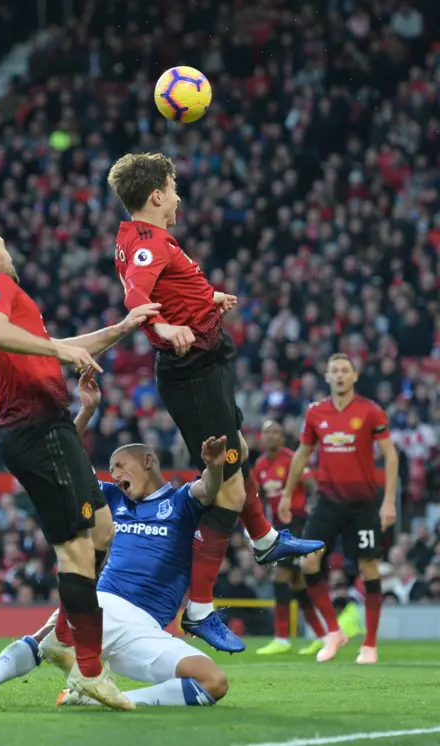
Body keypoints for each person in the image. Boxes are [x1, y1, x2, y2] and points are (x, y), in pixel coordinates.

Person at [107, 153, 323, 650]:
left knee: (239, 454)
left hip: (205, 362)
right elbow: (136, 296)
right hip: (193, 371)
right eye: (174, 188)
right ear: (157, 195)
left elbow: (162, 285)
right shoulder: (148, 241)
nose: (179, 197)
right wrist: (162, 326)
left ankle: (266, 539)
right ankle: (201, 610)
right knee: (225, 487)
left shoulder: (138, 238)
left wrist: (207, 301)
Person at [0, 220, 159, 710]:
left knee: (103, 532)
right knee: (77, 554)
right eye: (5, 245)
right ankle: (89, 671)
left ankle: (65, 634)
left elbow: (46, 349)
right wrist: (60, 348)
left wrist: (122, 329)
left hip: (51, 427)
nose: (10, 254)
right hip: (35, 427)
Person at [0, 371, 235, 711]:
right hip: (104, 603)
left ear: (147, 461)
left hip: (145, 630)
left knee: (215, 683)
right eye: (111, 470)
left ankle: (106, 697)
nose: (114, 475)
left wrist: (214, 467)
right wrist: (85, 413)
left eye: (120, 466)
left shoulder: (182, 501)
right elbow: (67, 463)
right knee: (45, 640)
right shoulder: (113, 499)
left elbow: (209, 488)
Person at [279, 353, 399, 664]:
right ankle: (334, 631)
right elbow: (302, 455)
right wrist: (286, 494)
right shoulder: (316, 413)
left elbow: (391, 455)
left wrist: (388, 502)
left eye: (345, 370)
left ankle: (370, 645)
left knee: (369, 568)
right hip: (328, 502)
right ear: (327, 377)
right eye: (334, 371)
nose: (340, 375)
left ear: (355, 376)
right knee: (308, 564)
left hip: (363, 504)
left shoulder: (371, 411)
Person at [252, 421, 326, 657]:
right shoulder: (261, 464)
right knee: (297, 585)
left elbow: (312, 483)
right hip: (278, 526)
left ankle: (282, 638)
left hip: (298, 524)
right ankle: (322, 636)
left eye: (276, 432)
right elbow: (257, 495)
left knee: (280, 577)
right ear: (262, 437)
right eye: (267, 432)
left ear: (283, 437)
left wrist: (315, 506)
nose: (271, 436)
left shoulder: (292, 458)